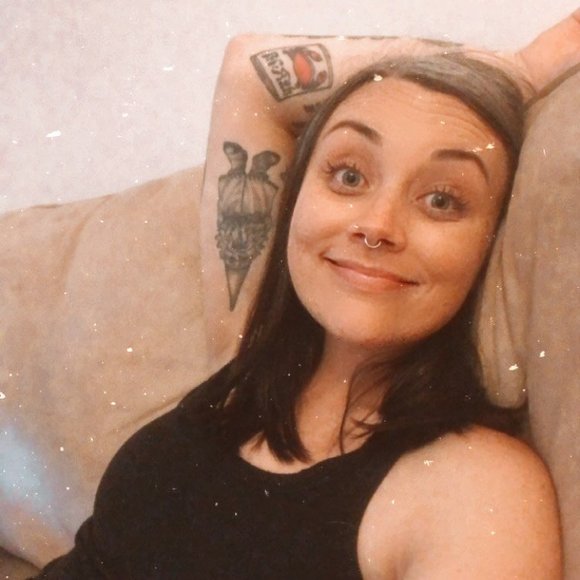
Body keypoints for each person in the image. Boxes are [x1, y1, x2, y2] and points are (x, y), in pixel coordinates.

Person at [31, 47, 563, 579]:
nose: (377, 225)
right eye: (349, 176)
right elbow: (251, 74)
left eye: (442, 200)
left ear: (494, 245)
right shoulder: (242, 359)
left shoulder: (480, 489)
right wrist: (516, 72)